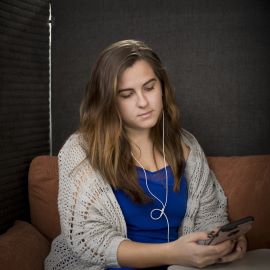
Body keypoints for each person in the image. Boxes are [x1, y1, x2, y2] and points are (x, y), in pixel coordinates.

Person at [45, 39, 247, 270]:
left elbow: (210, 216)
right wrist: (172, 253)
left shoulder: (187, 145)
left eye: (150, 87)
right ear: (108, 100)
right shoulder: (80, 151)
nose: (143, 102)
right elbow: (90, 240)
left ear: (162, 87)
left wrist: (223, 241)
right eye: (127, 94)